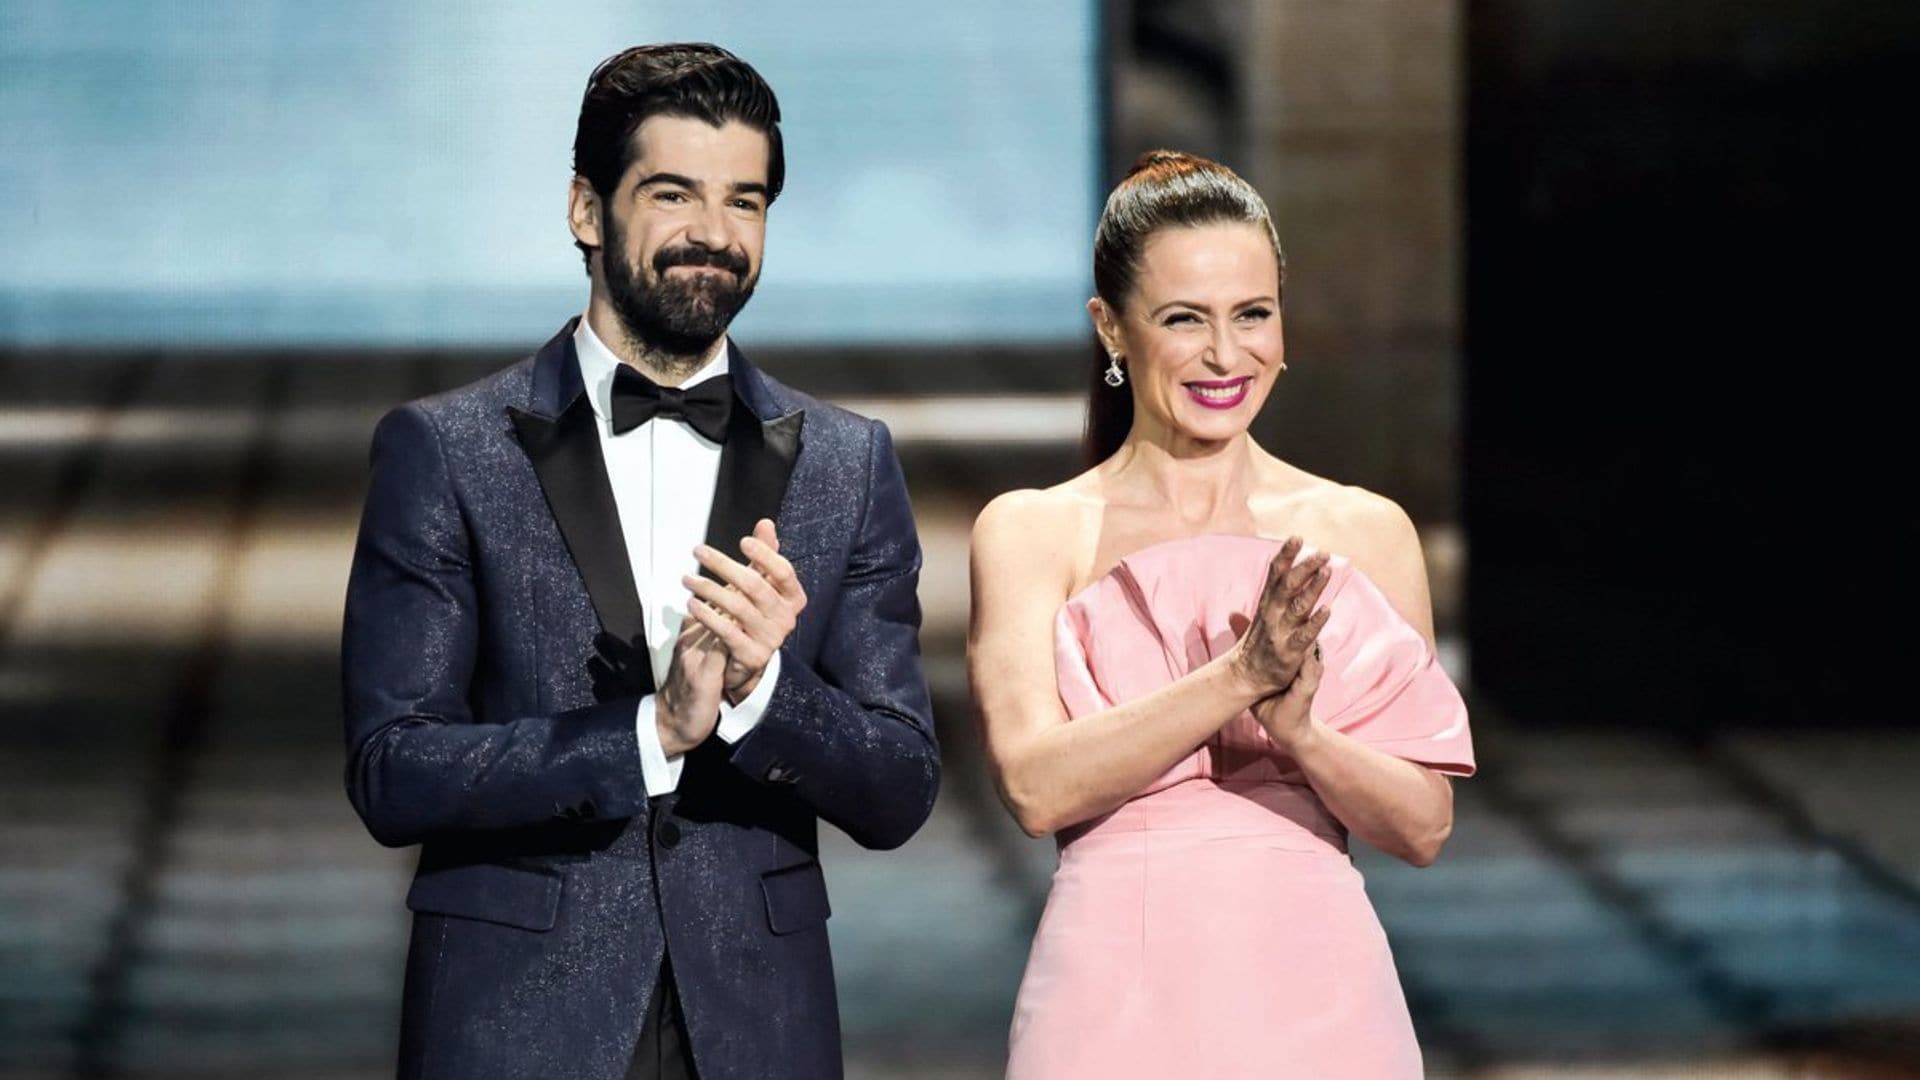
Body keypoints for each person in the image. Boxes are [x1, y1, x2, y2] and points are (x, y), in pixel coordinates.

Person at [341, 43, 939, 1080]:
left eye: (745, 202)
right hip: (514, 1022)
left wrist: (763, 693)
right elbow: (394, 769)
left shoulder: (847, 462)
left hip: (759, 1027)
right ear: (587, 209)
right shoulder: (445, 449)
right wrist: (647, 734)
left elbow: (899, 788)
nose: (714, 234)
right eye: (674, 194)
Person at [968, 150, 1476, 1079]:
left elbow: (1424, 826)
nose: (1225, 354)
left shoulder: (1360, 530)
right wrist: (1238, 679)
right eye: (1183, 320)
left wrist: (1306, 735)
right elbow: (1037, 790)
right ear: (1112, 332)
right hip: (1112, 996)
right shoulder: (1034, 531)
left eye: (1252, 315)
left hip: (1320, 994)